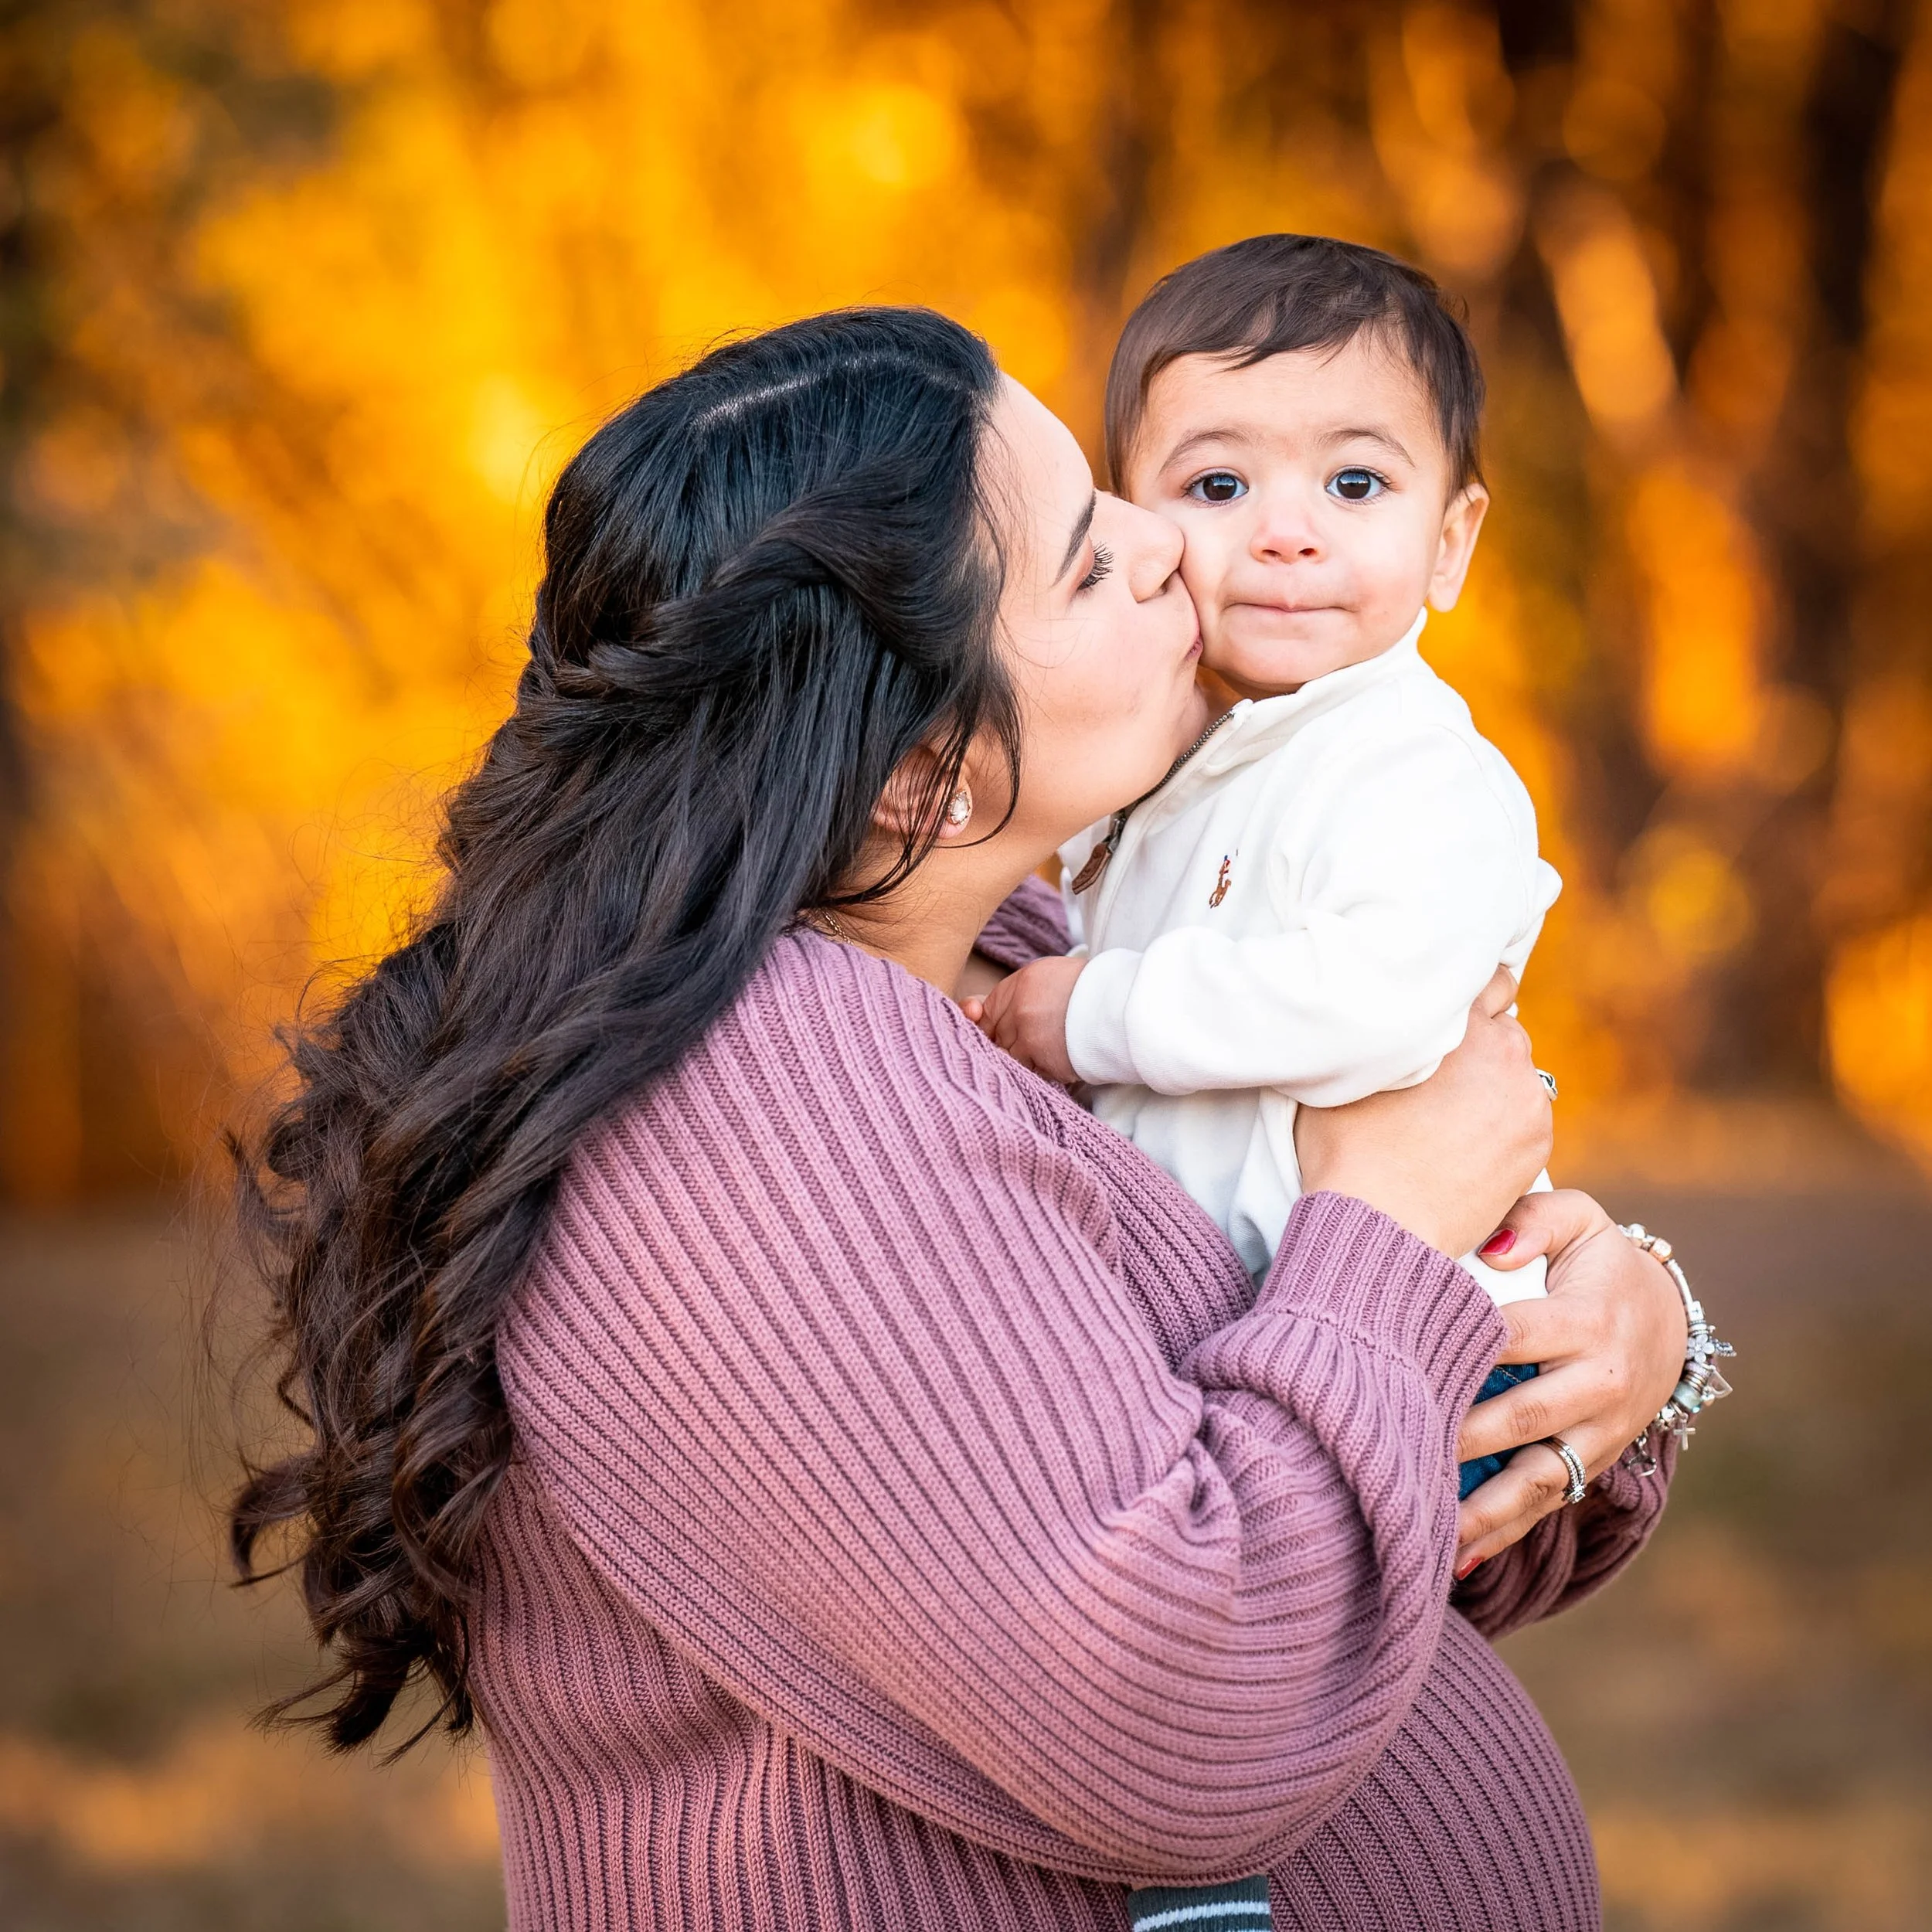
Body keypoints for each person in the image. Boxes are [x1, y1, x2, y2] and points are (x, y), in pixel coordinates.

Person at [231, 306, 1693, 1931]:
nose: (1166, 544)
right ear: (917, 773)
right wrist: (1385, 1235)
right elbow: (1184, 1699)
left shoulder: (1008, 967)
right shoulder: (768, 1117)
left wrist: (1604, 1349)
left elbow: (1326, 1530)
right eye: (1083, 560)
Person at [968, 236, 1558, 1504]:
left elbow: (1375, 1006)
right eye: (1221, 483)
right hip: (1243, 1337)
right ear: (1135, 524)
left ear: (1451, 543)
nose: (1287, 533)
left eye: (1355, 482)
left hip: (1425, 1345)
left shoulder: (1413, 770)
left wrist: (1091, 1012)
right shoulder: (1177, 770)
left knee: (1284, 1644)